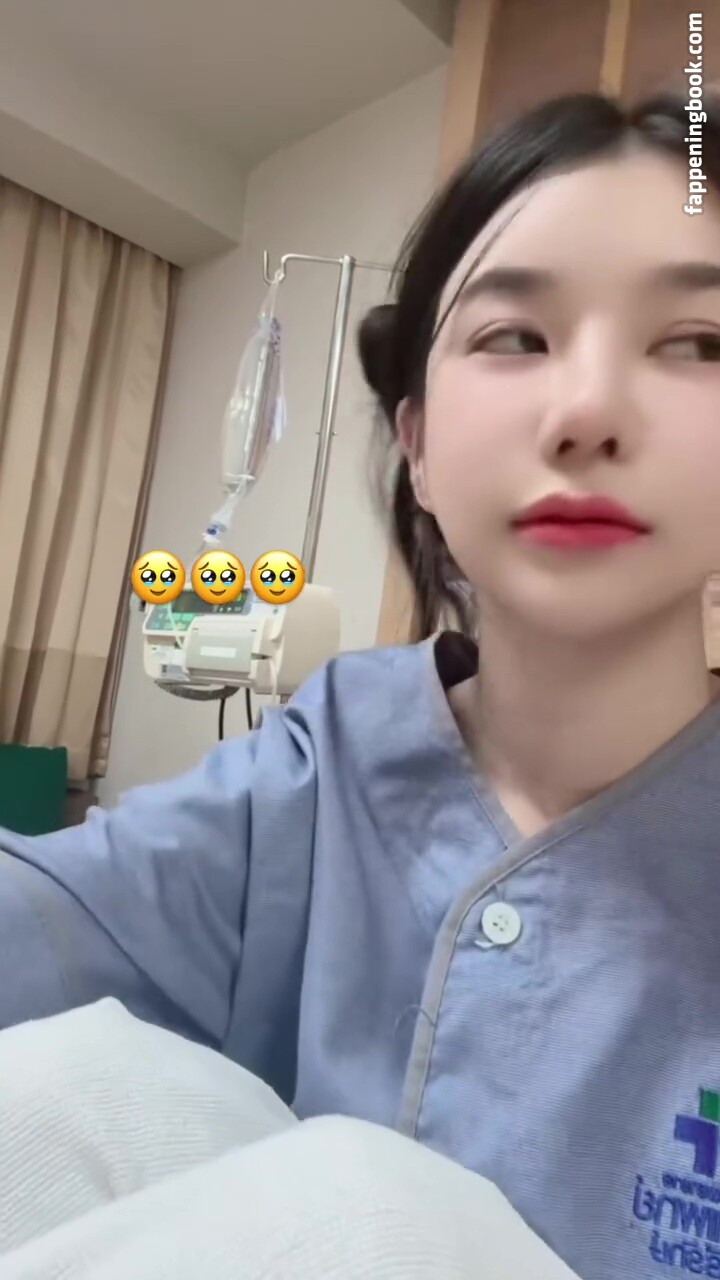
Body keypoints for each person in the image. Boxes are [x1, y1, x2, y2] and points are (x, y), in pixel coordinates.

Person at [1, 88, 719, 1280]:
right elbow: (52, 916)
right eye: (514, 336)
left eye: (698, 342)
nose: (589, 410)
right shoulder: (328, 759)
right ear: (419, 445)